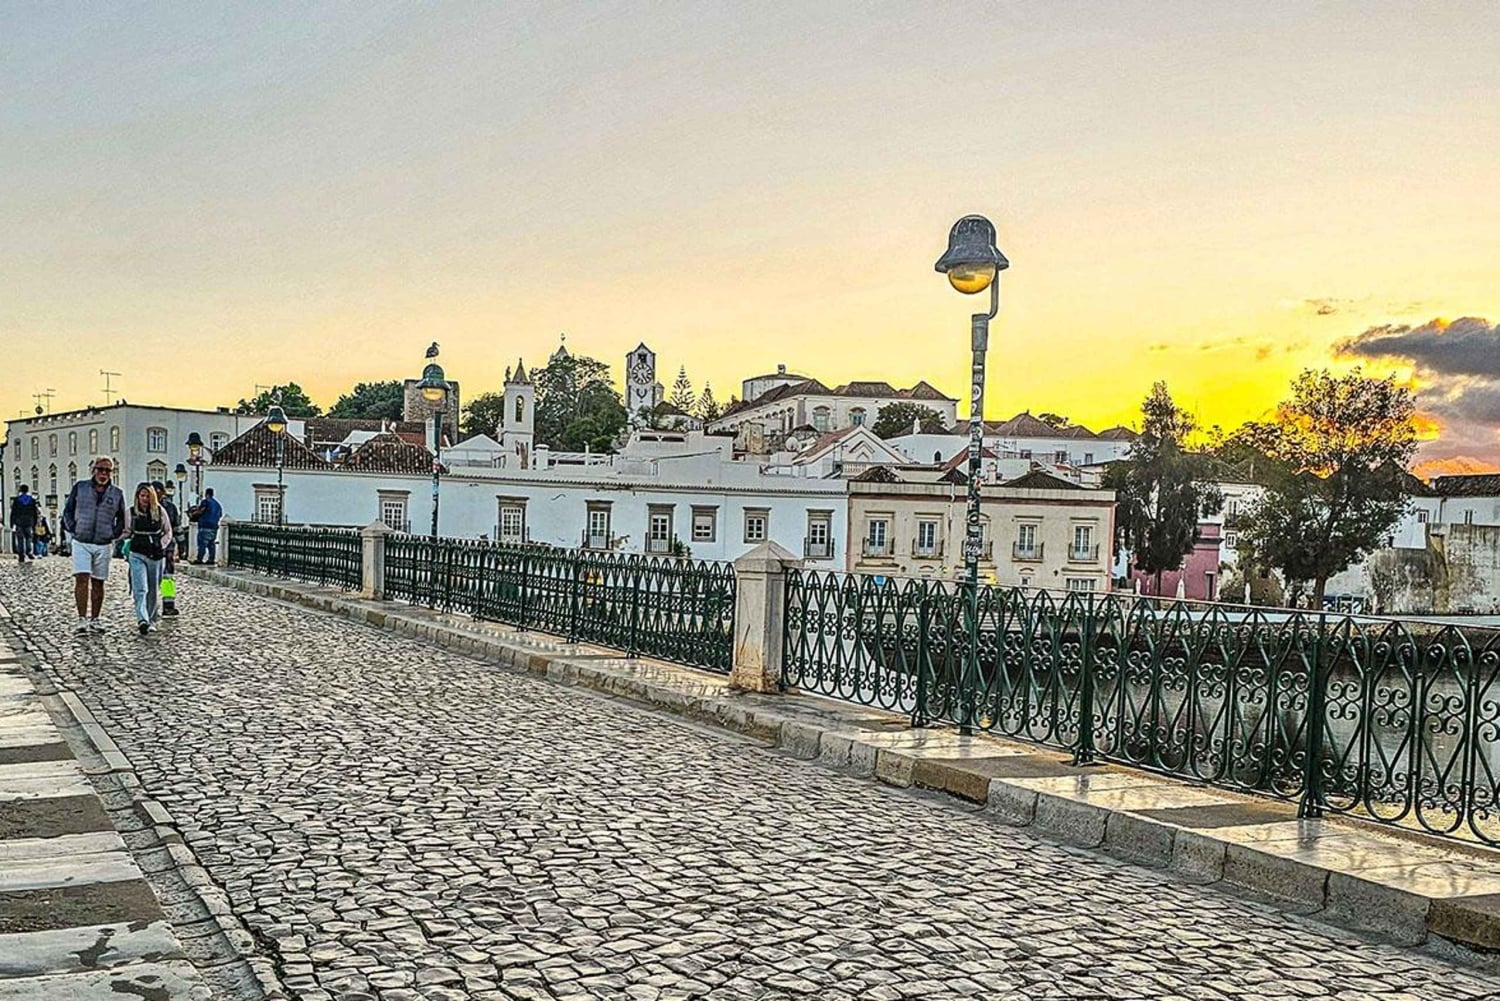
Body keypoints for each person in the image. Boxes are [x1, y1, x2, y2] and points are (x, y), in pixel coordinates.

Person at [62, 458, 128, 634]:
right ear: (93, 470)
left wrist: (113, 533)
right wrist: (72, 527)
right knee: (81, 579)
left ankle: (95, 619)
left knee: (98, 583)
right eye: (100, 469)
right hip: (81, 540)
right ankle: (82, 619)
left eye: (108, 470)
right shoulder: (80, 488)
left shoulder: (117, 493)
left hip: (103, 542)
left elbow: (122, 518)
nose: (104, 474)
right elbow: (68, 510)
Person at [125, 483, 171, 635]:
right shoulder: (131, 513)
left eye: (147, 496)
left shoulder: (160, 511)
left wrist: (162, 545)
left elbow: (168, 531)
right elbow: (127, 531)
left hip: (157, 555)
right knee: (140, 588)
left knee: (154, 589)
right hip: (137, 553)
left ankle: (154, 617)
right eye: (142, 495)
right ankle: (142, 619)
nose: (144, 499)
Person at [153, 482, 181, 617]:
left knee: (165, 577)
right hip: (163, 547)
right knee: (165, 577)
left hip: (162, 547)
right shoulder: (171, 507)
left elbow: (176, 528)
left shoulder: (168, 507)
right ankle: (164, 606)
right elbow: (177, 527)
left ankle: (165, 605)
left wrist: (182, 546)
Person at [190, 488, 222, 565]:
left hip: (205, 525)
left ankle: (199, 559)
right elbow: (220, 514)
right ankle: (211, 559)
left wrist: (193, 514)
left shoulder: (206, 502)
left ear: (206, 494)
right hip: (214, 527)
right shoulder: (218, 505)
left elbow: (201, 511)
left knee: (202, 544)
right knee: (211, 544)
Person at [8, 485, 38, 564]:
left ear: (20, 490)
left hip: (19, 522)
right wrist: (34, 523)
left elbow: (13, 512)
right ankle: (28, 551)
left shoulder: (17, 500)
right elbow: (35, 513)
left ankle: (21, 554)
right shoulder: (31, 500)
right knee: (28, 538)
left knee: (20, 539)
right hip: (29, 521)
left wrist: (12, 523)